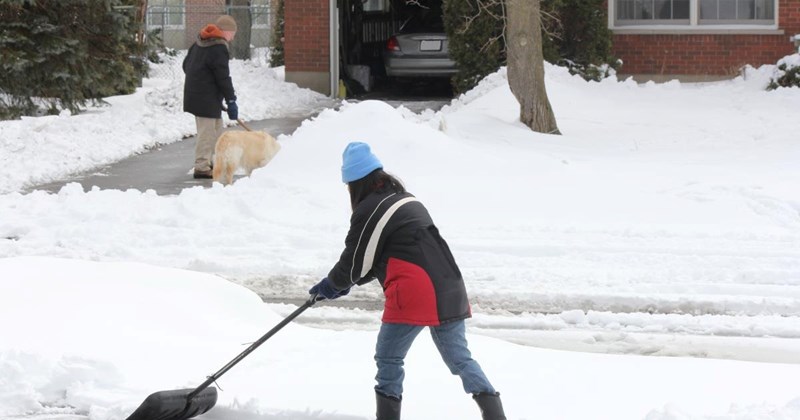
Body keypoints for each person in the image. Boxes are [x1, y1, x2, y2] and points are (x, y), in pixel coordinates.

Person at [309, 142, 507, 420]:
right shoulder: (405, 199)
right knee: (460, 358)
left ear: (355, 183)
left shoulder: (370, 209)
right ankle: (495, 416)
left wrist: (332, 284)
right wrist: (343, 284)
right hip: (449, 285)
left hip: (415, 291)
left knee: (388, 358)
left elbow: (354, 259)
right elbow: (377, 257)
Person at [182, 15, 239, 179]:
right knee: (206, 134)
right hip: (204, 98)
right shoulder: (219, 47)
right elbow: (223, 77)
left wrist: (205, 85)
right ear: (227, 31)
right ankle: (201, 167)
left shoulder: (199, 42)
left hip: (201, 95)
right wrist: (231, 100)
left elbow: (186, 65)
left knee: (216, 130)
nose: (233, 37)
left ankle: (214, 162)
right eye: (233, 33)